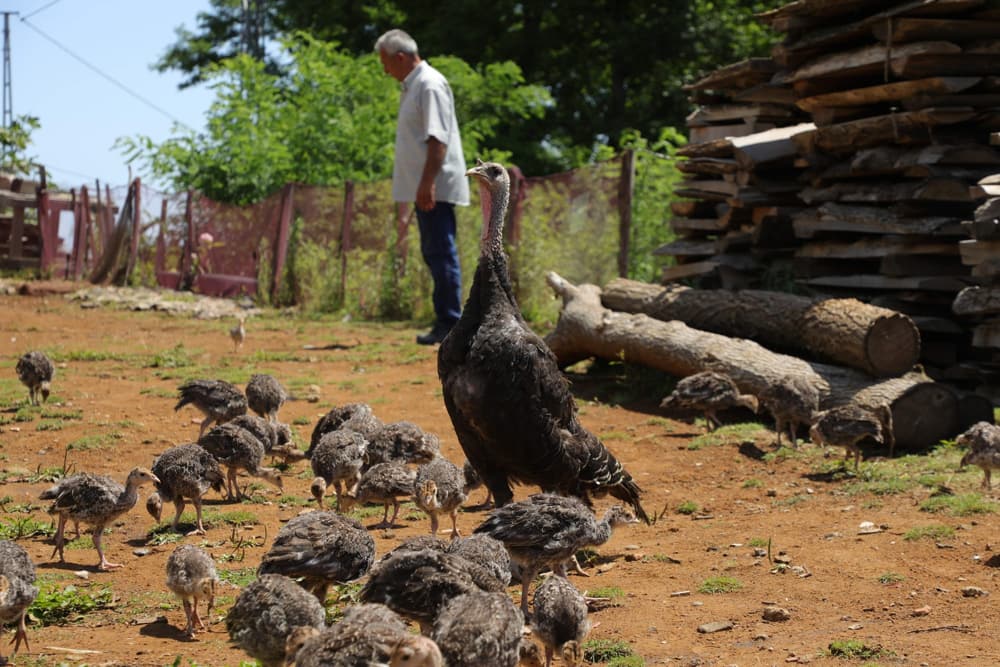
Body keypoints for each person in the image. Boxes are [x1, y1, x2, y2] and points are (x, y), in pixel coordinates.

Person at [375, 29, 469, 345]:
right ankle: (446, 319)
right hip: (426, 186)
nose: (384, 70)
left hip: (434, 186)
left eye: (385, 63)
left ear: (400, 58)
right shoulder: (415, 85)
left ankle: (451, 323)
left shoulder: (428, 84)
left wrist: (427, 182)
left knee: (441, 252)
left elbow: (438, 138)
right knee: (434, 252)